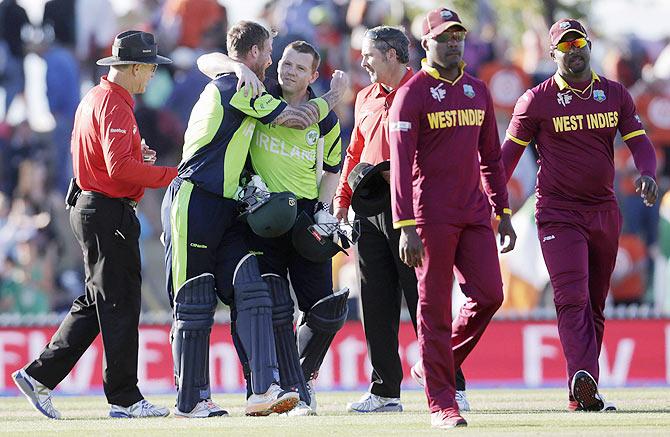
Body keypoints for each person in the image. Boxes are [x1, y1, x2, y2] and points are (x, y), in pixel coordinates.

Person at [161, 20, 348, 418]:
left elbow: (331, 163)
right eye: (269, 54)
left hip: (230, 207)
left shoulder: (247, 83)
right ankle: (191, 400)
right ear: (254, 54)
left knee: (256, 292)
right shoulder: (239, 86)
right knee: (194, 301)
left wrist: (324, 211)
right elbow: (296, 119)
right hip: (195, 197)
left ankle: (265, 390)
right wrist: (333, 96)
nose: (275, 63)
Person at [12, 30, 177, 419]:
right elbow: (119, 169)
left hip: (93, 207)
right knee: (120, 304)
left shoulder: (97, 98)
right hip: (107, 212)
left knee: (97, 303)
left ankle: (38, 377)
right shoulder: (115, 104)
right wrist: (172, 173)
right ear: (135, 66)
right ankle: (124, 399)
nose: (152, 76)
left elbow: (106, 159)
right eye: (150, 68)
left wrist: (140, 155)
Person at [501, 18, 658, 412]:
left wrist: (648, 174)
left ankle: (581, 389)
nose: (575, 51)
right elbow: (504, 161)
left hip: (605, 211)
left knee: (595, 303)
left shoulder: (615, 95)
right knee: (571, 298)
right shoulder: (535, 100)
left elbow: (640, 143)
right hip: (557, 213)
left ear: (589, 46)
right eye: (566, 46)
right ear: (553, 54)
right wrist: (495, 205)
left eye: (580, 43)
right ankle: (582, 377)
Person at [389, 8, 516, 429]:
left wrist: (504, 210)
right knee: (435, 310)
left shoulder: (478, 90)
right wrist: (405, 224)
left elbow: (492, 158)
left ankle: (436, 362)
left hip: (475, 212)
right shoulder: (413, 93)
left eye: (458, 36)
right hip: (431, 216)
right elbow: (401, 165)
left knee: (491, 294)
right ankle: (442, 404)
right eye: (444, 37)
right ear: (426, 43)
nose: (453, 43)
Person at [333, 25, 469, 414]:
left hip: (415, 211)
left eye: (369, 55)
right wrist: (343, 202)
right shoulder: (364, 97)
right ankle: (384, 392)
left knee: (425, 303)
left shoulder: (425, 92)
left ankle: (452, 385)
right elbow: (354, 152)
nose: (363, 62)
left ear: (393, 55)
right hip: (370, 210)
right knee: (375, 305)